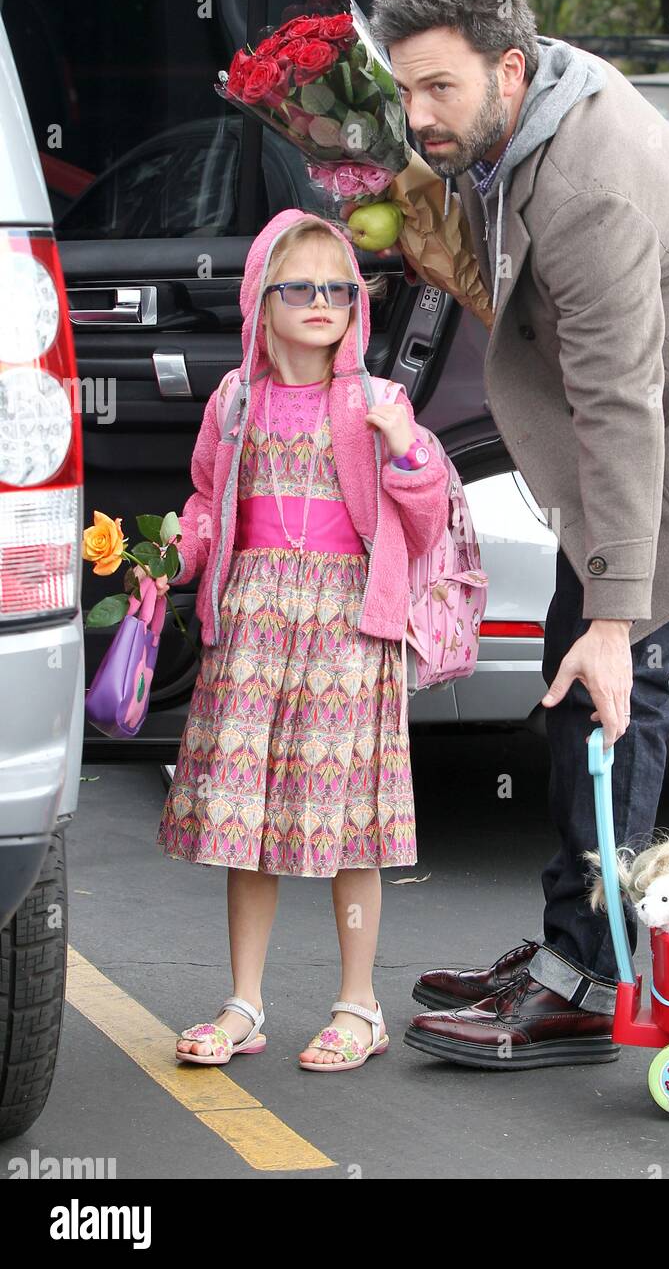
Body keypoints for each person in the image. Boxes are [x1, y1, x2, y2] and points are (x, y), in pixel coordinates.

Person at [365, 0, 669, 1070]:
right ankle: (577, 943)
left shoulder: (589, 185)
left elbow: (623, 403)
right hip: (644, 442)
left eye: (439, 90)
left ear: (509, 69)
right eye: (406, 88)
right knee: (578, 701)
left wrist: (616, 621)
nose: (417, 114)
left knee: (611, 700)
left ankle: (586, 979)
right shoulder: (535, 111)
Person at [155, 210, 448, 1071]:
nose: (322, 301)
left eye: (339, 288)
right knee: (248, 823)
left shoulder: (374, 400)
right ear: (260, 300)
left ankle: (359, 1005)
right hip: (252, 620)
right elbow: (211, 504)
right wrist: (168, 557)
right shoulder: (235, 400)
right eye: (301, 287)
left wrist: (407, 454)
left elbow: (425, 523)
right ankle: (244, 1003)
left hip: (348, 628)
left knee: (348, 823)